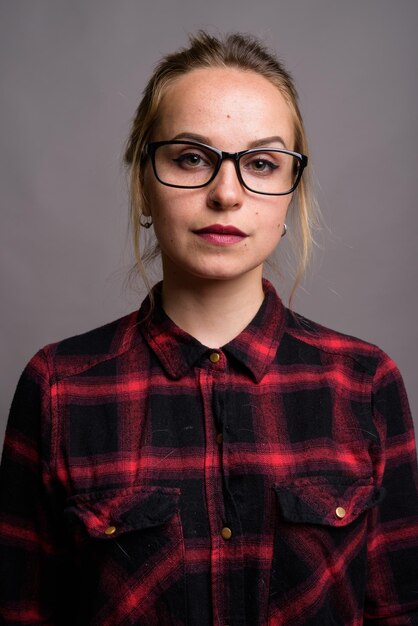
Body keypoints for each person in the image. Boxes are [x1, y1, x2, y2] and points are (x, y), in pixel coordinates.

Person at [0, 31, 417, 626]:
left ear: (290, 195)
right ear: (145, 182)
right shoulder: (59, 388)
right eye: (191, 157)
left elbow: (397, 607)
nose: (226, 193)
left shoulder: (365, 384)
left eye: (263, 164)